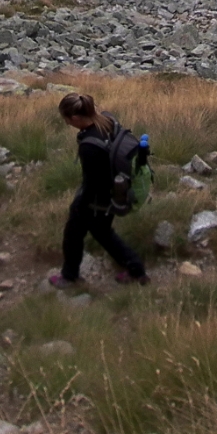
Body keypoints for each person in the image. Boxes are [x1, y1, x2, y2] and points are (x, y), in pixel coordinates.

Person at [49, 92, 148, 288]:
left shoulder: (89, 147)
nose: (67, 123)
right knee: (102, 232)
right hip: (115, 190)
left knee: (73, 232)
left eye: (67, 119)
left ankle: (69, 277)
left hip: (99, 197)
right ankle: (136, 270)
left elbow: (94, 182)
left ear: (76, 118)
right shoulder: (106, 119)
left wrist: (80, 205)